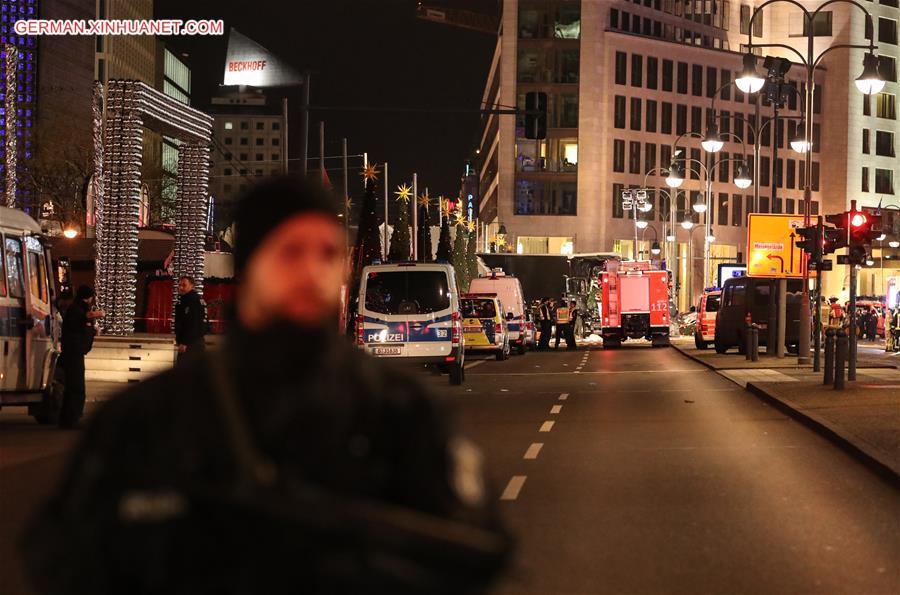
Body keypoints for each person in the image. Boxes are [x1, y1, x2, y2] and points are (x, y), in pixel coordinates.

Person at [22, 177, 508, 595]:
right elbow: (61, 555)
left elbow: (475, 546)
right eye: (291, 251)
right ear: (251, 263)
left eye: (328, 254)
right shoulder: (156, 415)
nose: (312, 272)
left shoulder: (399, 409)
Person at [58, 285, 105, 429]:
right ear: (89, 297)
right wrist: (98, 314)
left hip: (75, 352)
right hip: (74, 353)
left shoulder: (77, 308)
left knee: (74, 385)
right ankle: (72, 418)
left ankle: (70, 417)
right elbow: (83, 318)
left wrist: (92, 330)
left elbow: (83, 324)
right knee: (76, 385)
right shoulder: (78, 309)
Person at [174, 275, 207, 362]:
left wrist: (185, 342)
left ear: (192, 286)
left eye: (184, 285)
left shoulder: (193, 300)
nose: (180, 287)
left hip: (192, 344)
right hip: (189, 342)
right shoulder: (183, 300)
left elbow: (193, 323)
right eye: (179, 285)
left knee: (186, 372)